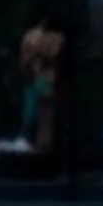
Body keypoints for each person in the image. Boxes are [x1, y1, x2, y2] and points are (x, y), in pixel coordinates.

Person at [18, 13, 66, 153]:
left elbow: (52, 53)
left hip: (40, 79)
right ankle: (38, 147)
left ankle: (40, 147)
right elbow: (26, 61)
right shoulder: (44, 37)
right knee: (38, 116)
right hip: (39, 80)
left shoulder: (50, 37)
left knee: (42, 116)